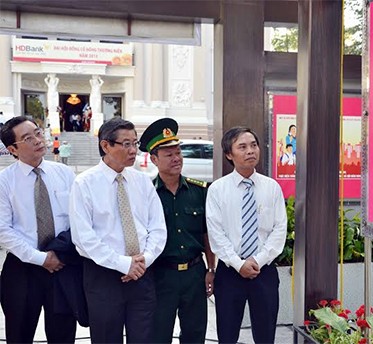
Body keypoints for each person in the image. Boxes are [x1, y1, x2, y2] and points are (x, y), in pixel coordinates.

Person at [69, 117, 167, 343]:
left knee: (143, 338)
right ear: (106, 145)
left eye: (135, 143)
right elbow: (84, 238)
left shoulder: (143, 182)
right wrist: (123, 264)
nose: (134, 150)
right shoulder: (84, 183)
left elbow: (158, 228)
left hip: (142, 274)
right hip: (104, 276)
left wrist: (144, 260)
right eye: (126, 144)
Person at [206, 126, 287, 344]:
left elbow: (280, 229)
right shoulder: (217, 190)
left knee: (265, 334)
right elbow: (216, 234)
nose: (250, 151)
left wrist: (257, 260)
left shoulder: (272, 188)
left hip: (264, 271)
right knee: (227, 333)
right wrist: (238, 263)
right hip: (230, 272)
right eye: (242, 147)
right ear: (229, 155)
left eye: (253, 145)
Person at [0, 116, 77, 343]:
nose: (37, 140)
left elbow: (78, 220)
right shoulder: (4, 182)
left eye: (37, 132)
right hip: (22, 269)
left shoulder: (64, 174)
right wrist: (41, 258)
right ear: (13, 149)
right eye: (27, 138)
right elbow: (3, 230)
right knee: (19, 334)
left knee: (63, 335)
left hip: (62, 267)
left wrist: (58, 255)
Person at [139, 118, 216, 344]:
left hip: (194, 273)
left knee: (195, 334)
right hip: (161, 275)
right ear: (154, 159)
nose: (176, 159)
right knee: (158, 334)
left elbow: (206, 234)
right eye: (169, 154)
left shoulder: (198, 191)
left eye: (178, 152)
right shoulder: (147, 194)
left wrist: (211, 268)